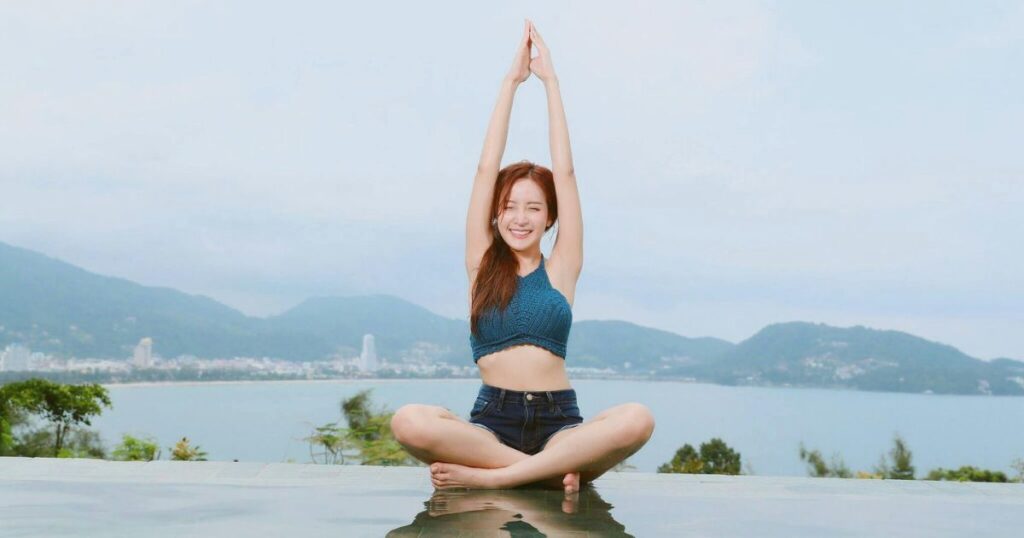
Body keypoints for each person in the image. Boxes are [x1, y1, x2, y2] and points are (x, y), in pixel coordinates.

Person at [391, 19, 655, 494]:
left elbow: (568, 173)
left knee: (637, 419)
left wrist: (552, 82)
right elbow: (483, 169)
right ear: (495, 213)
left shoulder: (562, 268)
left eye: (533, 207)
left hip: (561, 426)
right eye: (510, 206)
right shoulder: (480, 264)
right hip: (493, 425)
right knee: (409, 422)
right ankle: (543, 476)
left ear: (550, 217)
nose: (520, 217)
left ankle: (501, 480)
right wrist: (510, 84)